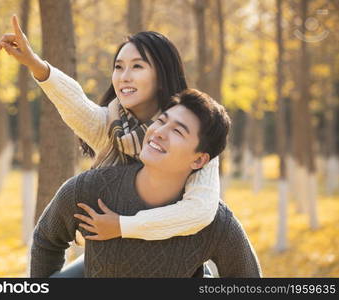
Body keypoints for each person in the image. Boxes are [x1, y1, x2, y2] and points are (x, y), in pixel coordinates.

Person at [0, 15, 220, 273]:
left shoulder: (193, 138)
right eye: (118, 67)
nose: (124, 77)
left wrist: (122, 225)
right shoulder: (110, 128)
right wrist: (34, 63)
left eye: (137, 66)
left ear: (162, 74)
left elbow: (200, 211)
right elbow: (75, 104)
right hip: (111, 260)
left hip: (175, 266)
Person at [30, 89, 261, 278]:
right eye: (161, 121)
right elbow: (47, 239)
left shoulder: (214, 222)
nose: (159, 132)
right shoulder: (91, 190)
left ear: (199, 159)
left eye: (178, 132)